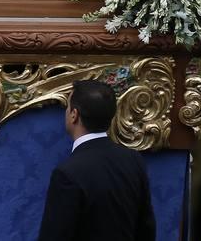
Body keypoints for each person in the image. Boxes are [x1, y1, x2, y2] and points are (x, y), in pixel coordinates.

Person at [36, 80, 155, 241]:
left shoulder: (67, 174)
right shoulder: (133, 160)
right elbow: (146, 229)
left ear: (74, 115)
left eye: (68, 107)